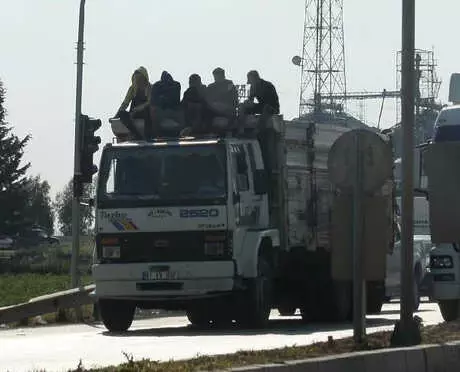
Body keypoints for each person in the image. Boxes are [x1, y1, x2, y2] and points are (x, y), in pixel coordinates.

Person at [116, 66, 152, 140]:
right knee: (121, 114)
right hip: (134, 114)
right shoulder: (132, 89)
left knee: (148, 111)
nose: (138, 81)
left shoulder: (150, 88)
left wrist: (139, 108)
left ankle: (148, 136)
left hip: (146, 114)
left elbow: (150, 102)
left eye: (140, 79)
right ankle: (136, 134)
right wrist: (116, 116)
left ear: (145, 78)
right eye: (136, 79)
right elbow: (125, 103)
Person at [150, 71, 182, 137]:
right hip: (160, 110)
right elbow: (153, 101)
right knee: (153, 110)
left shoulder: (176, 85)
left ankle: (180, 133)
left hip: (174, 110)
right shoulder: (156, 86)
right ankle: (156, 135)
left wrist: (163, 98)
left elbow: (175, 99)